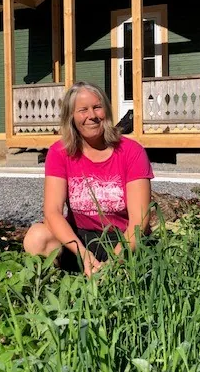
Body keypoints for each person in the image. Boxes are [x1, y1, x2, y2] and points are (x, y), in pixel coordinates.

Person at [23, 82, 154, 277]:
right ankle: (61, 283)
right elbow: (52, 212)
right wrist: (84, 255)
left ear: (106, 111)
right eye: (82, 110)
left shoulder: (131, 152)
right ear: (71, 117)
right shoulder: (59, 153)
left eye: (97, 107)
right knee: (36, 237)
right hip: (80, 239)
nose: (91, 116)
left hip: (123, 239)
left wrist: (113, 262)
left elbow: (139, 221)